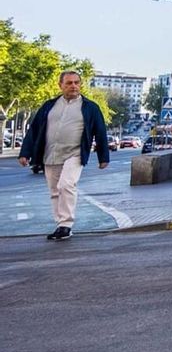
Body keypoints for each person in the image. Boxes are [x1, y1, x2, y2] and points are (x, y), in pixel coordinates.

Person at [18, 71, 111, 241]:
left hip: (74, 154)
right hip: (51, 154)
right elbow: (34, 129)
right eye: (69, 83)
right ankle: (61, 225)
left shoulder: (90, 107)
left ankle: (67, 224)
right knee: (55, 191)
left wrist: (103, 157)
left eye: (76, 82)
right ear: (60, 85)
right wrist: (25, 152)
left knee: (66, 184)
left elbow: (100, 132)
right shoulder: (49, 106)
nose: (73, 86)